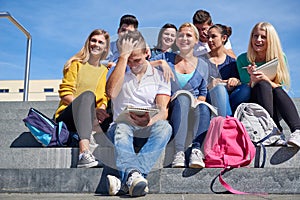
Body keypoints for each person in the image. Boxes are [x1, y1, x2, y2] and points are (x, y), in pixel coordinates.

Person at [105, 30, 172, 197]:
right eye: (129, 60)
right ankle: (134, 176)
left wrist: (148, 121)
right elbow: (112, 93)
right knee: (121, 128)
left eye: (137, 60)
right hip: (122, 126)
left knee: (165, 127)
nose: (132, 65)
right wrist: (123, 58)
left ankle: (129, 178)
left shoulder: (161, 75)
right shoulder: (118, 69)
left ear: (147, 52)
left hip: (147, 124)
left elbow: (163, 110)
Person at [151, 23, 211, 168]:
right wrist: (160, 63)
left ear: (196, 40)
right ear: (177, 40)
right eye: (181, 35)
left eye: (189, 35)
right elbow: (140, 66)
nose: (184, 38)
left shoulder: (203, 65)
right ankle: (179, 152)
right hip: (173, 107)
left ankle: (196, 150)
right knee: (183, 98)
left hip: (194, 109)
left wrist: (198, 102)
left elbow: (203, 93)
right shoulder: (165, 57)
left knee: (203, 106)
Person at [236, 22, 300, 148]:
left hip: (275, 103)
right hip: (254, 105)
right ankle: (273, 130)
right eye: (255, 36)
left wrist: (265, 79)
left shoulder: (281, 57)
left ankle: (297, 130)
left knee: (272, 87)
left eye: (263, 37)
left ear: (270, 39)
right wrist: (252, 79)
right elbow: (245, 89)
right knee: (262, 85)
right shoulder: (242, 59)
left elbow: (279, 85)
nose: (258, 40)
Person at [54, 29, 111, 168]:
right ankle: (84, 153)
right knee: (87, 96)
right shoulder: (75, 64)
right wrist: (88, 110)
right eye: (94, 40)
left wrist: (101, 111)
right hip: (68, 116)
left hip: (91, 117)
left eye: (100, 42)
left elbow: (103, 98)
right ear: (88, 43)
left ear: (105, 48)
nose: (96, 44)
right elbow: (66, 93)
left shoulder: (105, 71)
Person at [201, 24, 251, 116]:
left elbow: (239, 82)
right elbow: (196, 85)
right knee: (219, 89)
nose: (209, 40)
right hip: (209, 97)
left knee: (246, 89)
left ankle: (228, 118)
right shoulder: (201, 61)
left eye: (213, 37)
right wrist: (210, 85)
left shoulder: (232, 62)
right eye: (208, 37)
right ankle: (227, 123)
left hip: (229, 99)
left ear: (224, 38)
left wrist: (235, 81)